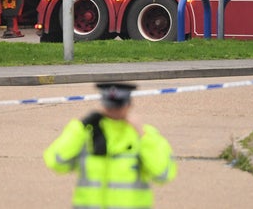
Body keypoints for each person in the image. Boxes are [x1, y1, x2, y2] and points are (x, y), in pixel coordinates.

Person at [43, 82, 177, 208]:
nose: (114, 111)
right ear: (102, 105)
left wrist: (143, 135)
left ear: (129, 105)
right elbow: (56, 162)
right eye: (110, 106)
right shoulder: (86, 133)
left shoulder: (144, 135)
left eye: (118, 107)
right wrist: (79, 126)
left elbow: (163, 174)